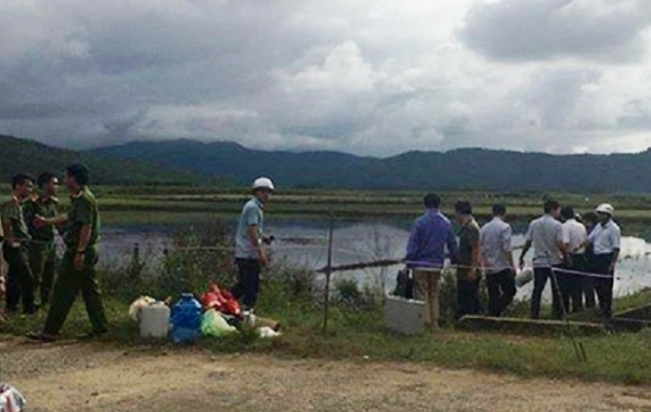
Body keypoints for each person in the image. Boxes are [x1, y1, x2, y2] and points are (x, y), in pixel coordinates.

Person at [27, 163, 108, 343]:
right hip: (86, 251)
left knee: (62, 291)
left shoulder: (85, 199)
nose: (64, 180)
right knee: (90, 291)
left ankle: (50, 332)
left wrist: (79, 252)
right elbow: (69, 217)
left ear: (73, 178)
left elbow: (86, 227)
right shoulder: (79, 198)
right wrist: (47, 221)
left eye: (66, 176)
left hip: (80, 251)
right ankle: (101, 328)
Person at [405, 193, 458, 330]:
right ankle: (435, 322)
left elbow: (413, 245)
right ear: (439, 204)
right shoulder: (446, 222)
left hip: (420, 264)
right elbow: (452, 244)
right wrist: (454, 259)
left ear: (425, 204)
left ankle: (424, 322)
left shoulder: (419, 222)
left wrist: (409, 261)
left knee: (422, 292)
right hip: (436, 264)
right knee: (434, 293)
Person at [230, 177, 275, 312]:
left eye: (269, 192)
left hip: (244, 253)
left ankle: (221, 303)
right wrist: (260, 253)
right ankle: (247, 314)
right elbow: (251, 231)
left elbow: (252, 230)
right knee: (251, 288)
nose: (267, 195)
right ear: (257, 192)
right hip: (249, 254)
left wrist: (264, 239)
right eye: (264, 191)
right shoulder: (253, 207)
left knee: (242, 286)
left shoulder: (253, 207)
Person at [519, 200, 565, 320]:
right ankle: (557, 314)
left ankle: (534, 314)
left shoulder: (534, 223)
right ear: (553, 210)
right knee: (557, 290)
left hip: (539, 262)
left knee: (537, 289)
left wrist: (522, 256)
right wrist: (567, 256)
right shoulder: (557, 225)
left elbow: (528, 242)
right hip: (554, 261)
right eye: (558, 210)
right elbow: (560, 243)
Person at [1, 173, 37, 315]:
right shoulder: (11, 202)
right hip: (14, 246)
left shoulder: (19, 204)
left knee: (14, 278)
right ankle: (29, 309)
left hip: (21, 244)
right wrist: (11, 241)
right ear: (18, 186)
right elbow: (7, 222)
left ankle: (12, 306)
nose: (30, 189)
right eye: (27, 186)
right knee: (27, 277)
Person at [23, 172, 60, 307]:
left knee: (49, 276)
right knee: (35, 276)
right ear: (45, 185)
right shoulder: (32, 204)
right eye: (54, 183)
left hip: (50, 243)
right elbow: (24, 224)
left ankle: (46, 302)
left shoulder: (53, 203)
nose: (57, 187)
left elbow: (56, 222)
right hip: (36, 244)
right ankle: (29, 302)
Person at [479, 204, 516, 317]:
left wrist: (484, 261)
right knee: (510, 291)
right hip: (502, 266)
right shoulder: (505, 227)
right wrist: (512, 265)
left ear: (492, 213)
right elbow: (506, 249)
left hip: (489, 266)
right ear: (504, 213)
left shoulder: (484, 228)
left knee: (493, 294)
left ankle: (493, 315)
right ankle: (496, 311)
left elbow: (480, 247)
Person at [586, 204, 620, 318]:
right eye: (599, 214)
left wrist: (612, 263)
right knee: (597, 284)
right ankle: (601, 308)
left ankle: (607, 311)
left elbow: (616, 248)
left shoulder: (614, 229)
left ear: (608, 215)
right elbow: (590, 239)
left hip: (606, 258)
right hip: (597, 258)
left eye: (602, 214)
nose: (600, 216)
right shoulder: (598, 227)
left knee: (606, 286)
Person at [454, 200, 482, 319]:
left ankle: (470, 321)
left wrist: (473, 269)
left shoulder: (471, 227)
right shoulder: (467, 227)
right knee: (467, 297)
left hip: (468, 270)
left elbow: (476, 249)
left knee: (468, 298)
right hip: (464, 269)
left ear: (460, 212)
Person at [560, 206, 587, 313]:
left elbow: (566, 243)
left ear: (563, 216)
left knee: (567, 285)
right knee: (578, 284)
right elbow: (585, 241)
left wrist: (567, 257)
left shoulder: (565, 226)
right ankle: (578, 307)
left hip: (570, 256)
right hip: (580, 256)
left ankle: (566, 309)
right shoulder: (581, 226)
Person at [581, 211, 599, 309]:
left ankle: (590, 306)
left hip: (588, 261)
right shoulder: (599, 230)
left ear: (588, 221)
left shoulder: (588, 232)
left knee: (588, 285)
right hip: (598, 261)